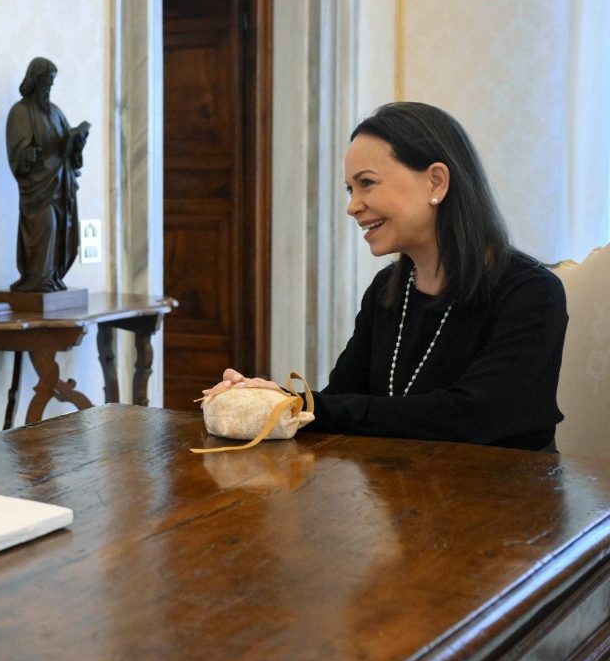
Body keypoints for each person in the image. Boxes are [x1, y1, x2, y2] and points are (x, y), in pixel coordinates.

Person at [206, 102, 567, 451]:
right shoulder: (387, 289)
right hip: (397, 486)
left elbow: (468, 417)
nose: (352, 206)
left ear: (436, 182)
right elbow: (341, 400)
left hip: (504, 489)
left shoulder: (532, 293)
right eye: (351, 189)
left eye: (367, 183)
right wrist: (266, 402)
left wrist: (300, 405)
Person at [5, 57, 91, 292]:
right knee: (47, 226)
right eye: (46, 83)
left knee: (63, 232)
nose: (49, 88)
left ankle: (52, 278)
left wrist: (77, 144)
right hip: (39, 189)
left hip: (61, 185)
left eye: (52, 83)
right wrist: (26, 155)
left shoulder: (56, 113)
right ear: (34, 81)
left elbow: (67, 147)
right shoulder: (20, 112)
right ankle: (38, 280)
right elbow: (16, 152)